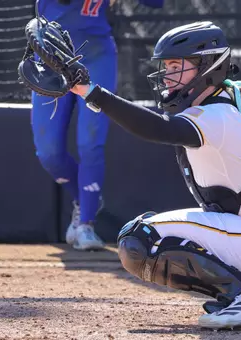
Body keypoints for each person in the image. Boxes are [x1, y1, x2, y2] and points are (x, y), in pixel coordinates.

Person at [68, 21, 241, 329]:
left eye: (176, 65)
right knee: (139, 237)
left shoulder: (216, 113)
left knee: (139, 239)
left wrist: (93, 94)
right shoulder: (217, 105)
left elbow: (159, 128)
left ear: (206, 67)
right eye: (166, 65)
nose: (168, 75)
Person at [30, 0, 163, 250]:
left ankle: (86, 224)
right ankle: (84, 200)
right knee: (48, 153)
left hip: (96, 54)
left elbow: (156, 3)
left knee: (90, 142)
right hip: (51, 56)